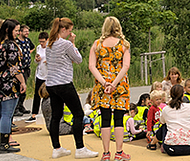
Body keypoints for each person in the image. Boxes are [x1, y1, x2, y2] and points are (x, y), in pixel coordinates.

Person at [45, 17, 99, 159]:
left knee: (56, 115)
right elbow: (78, 59)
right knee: (78, 114)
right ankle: (80, 148)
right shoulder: (65, 44)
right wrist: (73, 43)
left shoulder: (49, 43)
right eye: (69, 31)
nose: (70, 33)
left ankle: (56, 147)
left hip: (51, 83)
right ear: (63, 29)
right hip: (64, 83)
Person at [88, 16, 132, 161]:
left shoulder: (97, 44)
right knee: (119, 118)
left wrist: (104, 82)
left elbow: (92, 66)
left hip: (102, 87)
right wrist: (114, 83)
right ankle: (119, 153)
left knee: (105, 118)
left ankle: (106, 153)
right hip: (120, 86)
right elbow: (125, 66)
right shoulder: (124, 44)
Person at [0, 19, 25, 153]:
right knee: (7, 114)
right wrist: (22, 81)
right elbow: (14, 68)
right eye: (16, 30)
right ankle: (5, 144)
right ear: (9, 31)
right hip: (8, 84)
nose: (17, 33)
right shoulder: (10, 45)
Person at [160, 84, 190, 156]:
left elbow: (162, 122)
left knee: (165, 126)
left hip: (171, 147)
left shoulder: (166, 109)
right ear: (183, 95)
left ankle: (156, 143)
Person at [26, 31, 49, 123]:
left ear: (47, 40)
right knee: (37, 94)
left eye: (43, 41)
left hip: (49, 74)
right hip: (40, 73)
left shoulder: (51, 48)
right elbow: (37, 61)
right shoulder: (39, 48)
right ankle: (34, 114)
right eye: (40, 41)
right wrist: (37, 60)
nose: (41, 43)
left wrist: (49, 61)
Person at [14, 24, 34, 117]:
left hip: (26, 67)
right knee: (19, 87)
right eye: (25, 31)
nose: (27, 33)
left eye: (28, 31)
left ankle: (21, 105)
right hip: (19, 68)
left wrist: (27, 53)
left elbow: (32, 47)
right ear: (20, 32)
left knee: (24, 88)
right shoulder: (16, 41)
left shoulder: (27, 41)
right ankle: (16, 108)